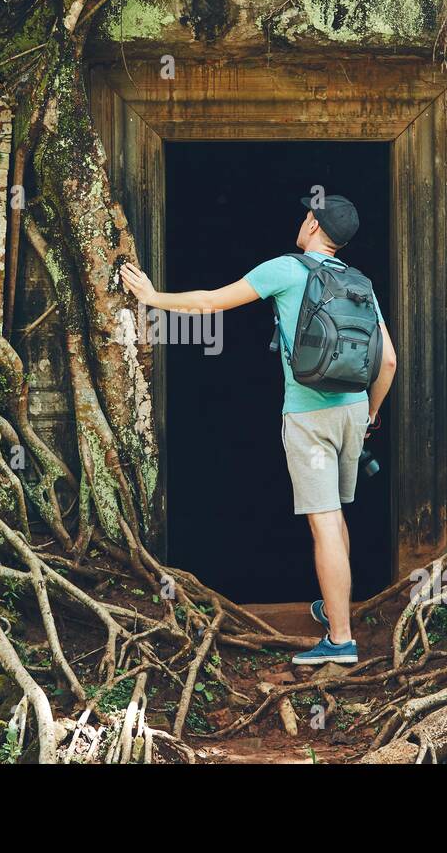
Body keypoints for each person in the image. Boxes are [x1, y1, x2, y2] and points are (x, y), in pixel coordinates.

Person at [119, 194, 397, 665]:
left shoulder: (286, 270)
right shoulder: (361, 283)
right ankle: (336, 613)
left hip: (308, 416)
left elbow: (210, 302)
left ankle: (341, 641)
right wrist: (370, 414)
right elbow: (387, 360)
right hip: (354, 411)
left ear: (311, 224)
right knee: (337, 515)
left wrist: (151, 297)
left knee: (323, 520)